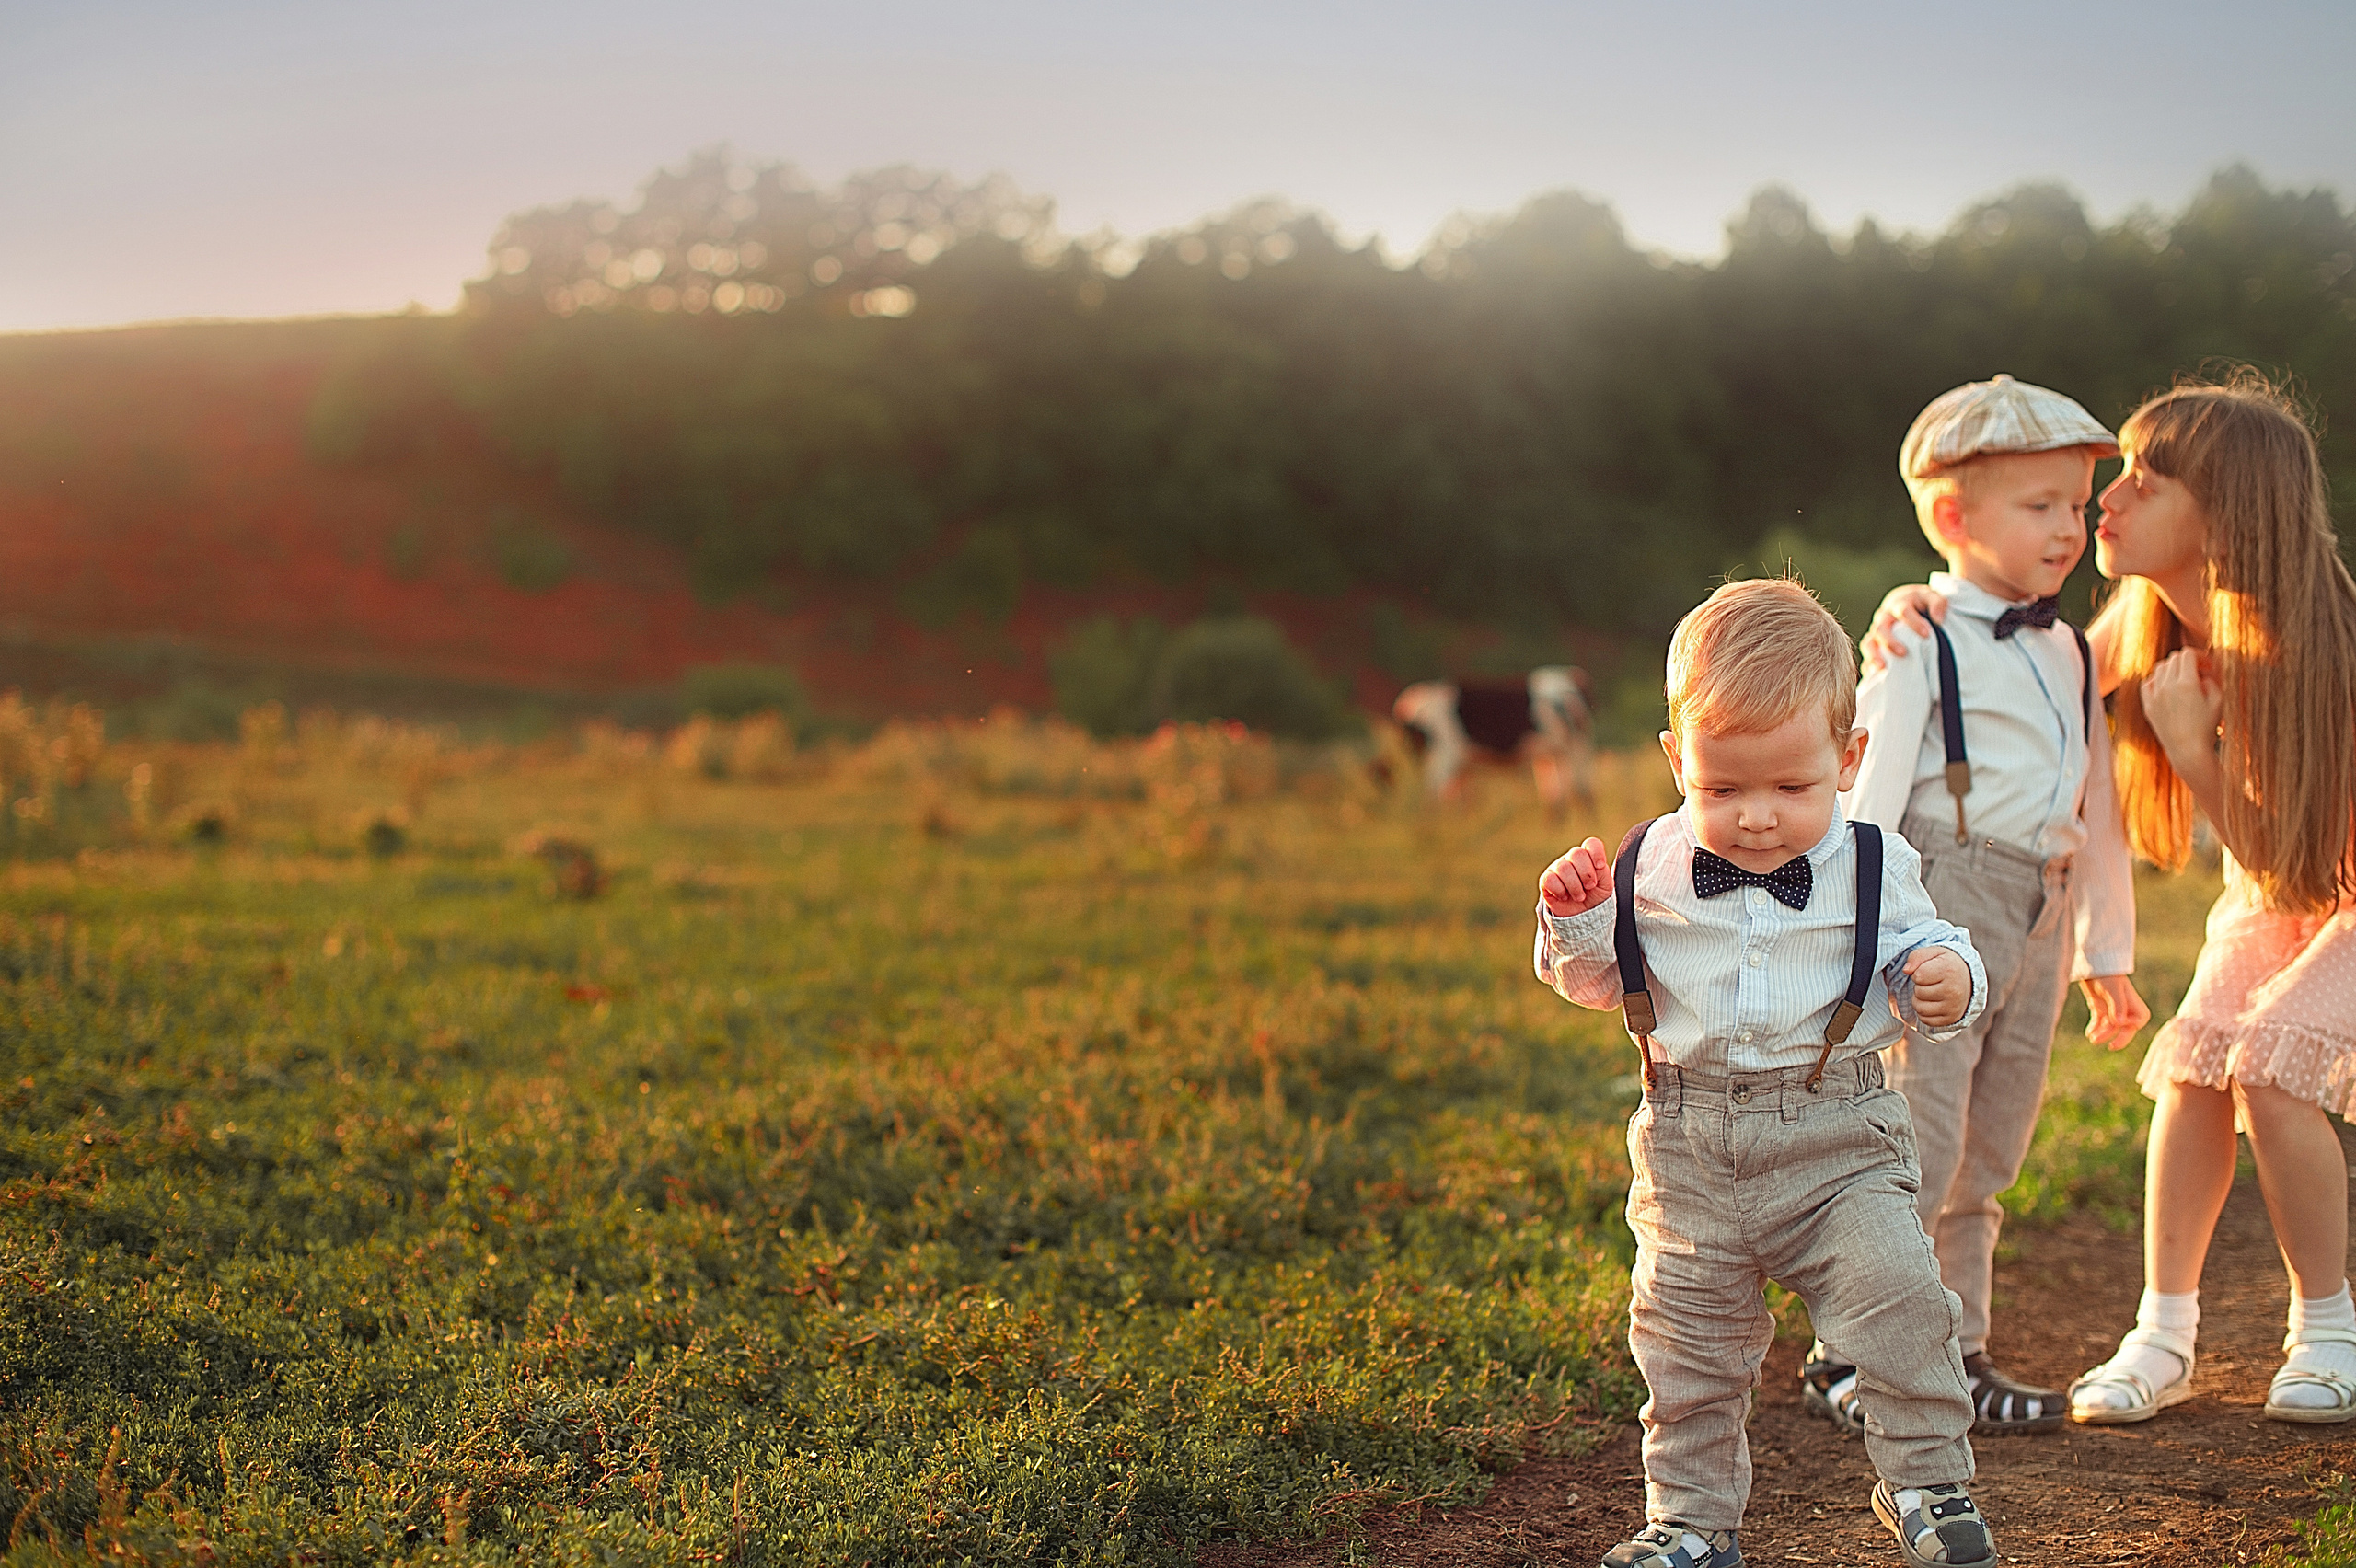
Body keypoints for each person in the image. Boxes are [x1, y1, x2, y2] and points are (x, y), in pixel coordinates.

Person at [1863, 372, 2356, 1426]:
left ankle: (2328, 1326)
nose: (2105, 504)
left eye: (2142, 479)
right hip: (2269, 901)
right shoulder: (2130, 639)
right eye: (2108, 479)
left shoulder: (2321, 650)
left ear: (2221, 515)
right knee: (2187, 1067)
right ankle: (2162, 1332)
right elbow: (1993, 645)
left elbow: (2305, 867)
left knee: (2265, 1067)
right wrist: (1917, 605)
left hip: (2333, 894)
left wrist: (2191, 753)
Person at [1536, 577, 1998, 1568]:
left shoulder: (1875, 860)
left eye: (1792, 789)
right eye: (1721, 789)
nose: (1754, 820)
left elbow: (1934, 940)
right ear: (1675, 761)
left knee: (1901, 1304)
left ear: (1849, 757)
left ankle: (1927, 1486)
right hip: (1688, 1146)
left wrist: (1945, 979)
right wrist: (1574, 919)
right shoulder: (1648, 863)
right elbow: (1595, 980)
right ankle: (1693, 1523)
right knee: (1685, 1352)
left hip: (1838, 1138)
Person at [1803, 376, 2152, 1441]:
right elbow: (1864, 805)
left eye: (2074, 503)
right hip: (1935, 905)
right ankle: (1851, 1358)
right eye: (2037, 504)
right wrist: (1844, 939)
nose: (2067, 526)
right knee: (1920, 1137)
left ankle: (1957, 1353)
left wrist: (2107, 951)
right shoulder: (1917, 644)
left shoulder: (2073, 646)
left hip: (2036, 913)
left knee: (1990, 1151)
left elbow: (2095, 809)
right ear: (1954, 521)